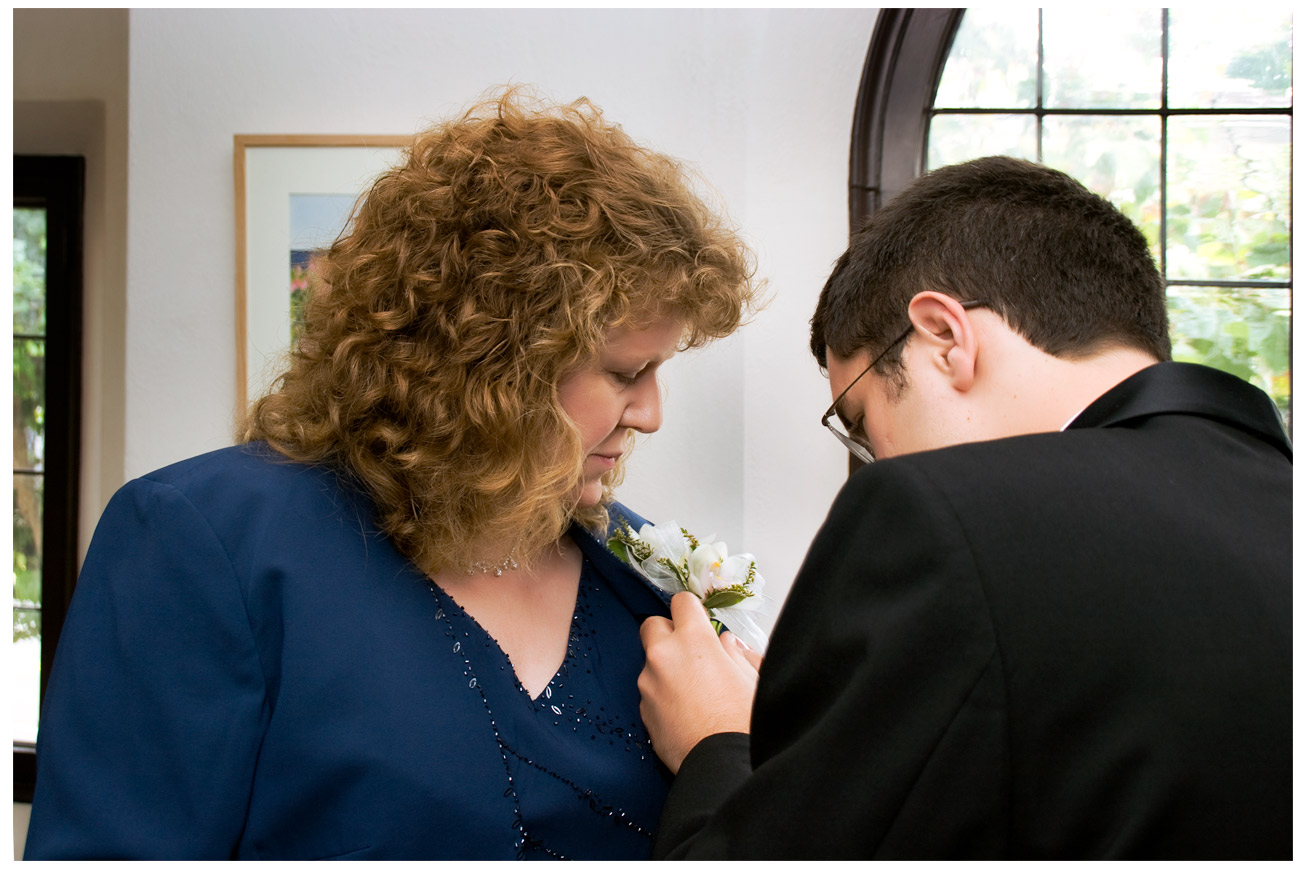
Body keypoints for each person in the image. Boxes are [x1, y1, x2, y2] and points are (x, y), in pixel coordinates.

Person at [25, 89, 759, 860]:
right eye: (624, 371)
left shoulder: (645, 582)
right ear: (493, 361)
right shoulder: (208, 539)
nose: (650, 414)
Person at [637, 156, 1291, 859]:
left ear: (944, 337)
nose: (875, 459)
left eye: (858, 419)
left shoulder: (938, 520)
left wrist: (718, 744)